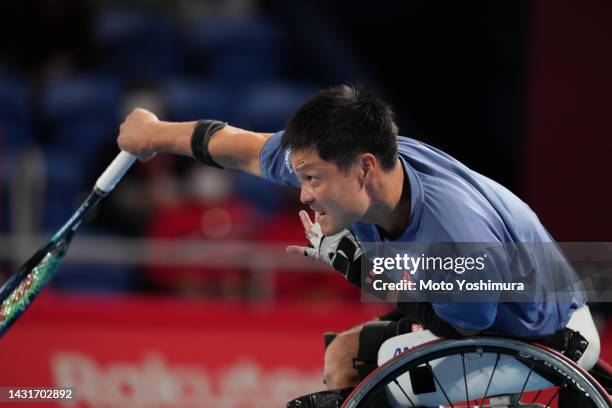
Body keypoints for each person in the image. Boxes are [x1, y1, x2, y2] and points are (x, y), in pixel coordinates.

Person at [117, 84, 600, 407]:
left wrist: (368, 272)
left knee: (388, 372)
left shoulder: (453, 236)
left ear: (365, 168)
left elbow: (465, 325)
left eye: (312, 179)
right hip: (476, 302)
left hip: (537, 333)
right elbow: (239, 146)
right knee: (343, 359)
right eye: (302, 176)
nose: (303, 193)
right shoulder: (346, 160)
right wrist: (154, 133)